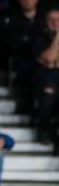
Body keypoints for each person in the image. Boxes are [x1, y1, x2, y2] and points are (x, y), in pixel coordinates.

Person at [33, 8, 59, 144]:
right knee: (48, 94)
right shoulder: (39, 37)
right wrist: (57, 38)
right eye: (52, 20)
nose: (55, 23)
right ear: (46, 22)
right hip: (45, 77)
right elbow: (48, 58)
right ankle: (43, 131)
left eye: (58, 20)